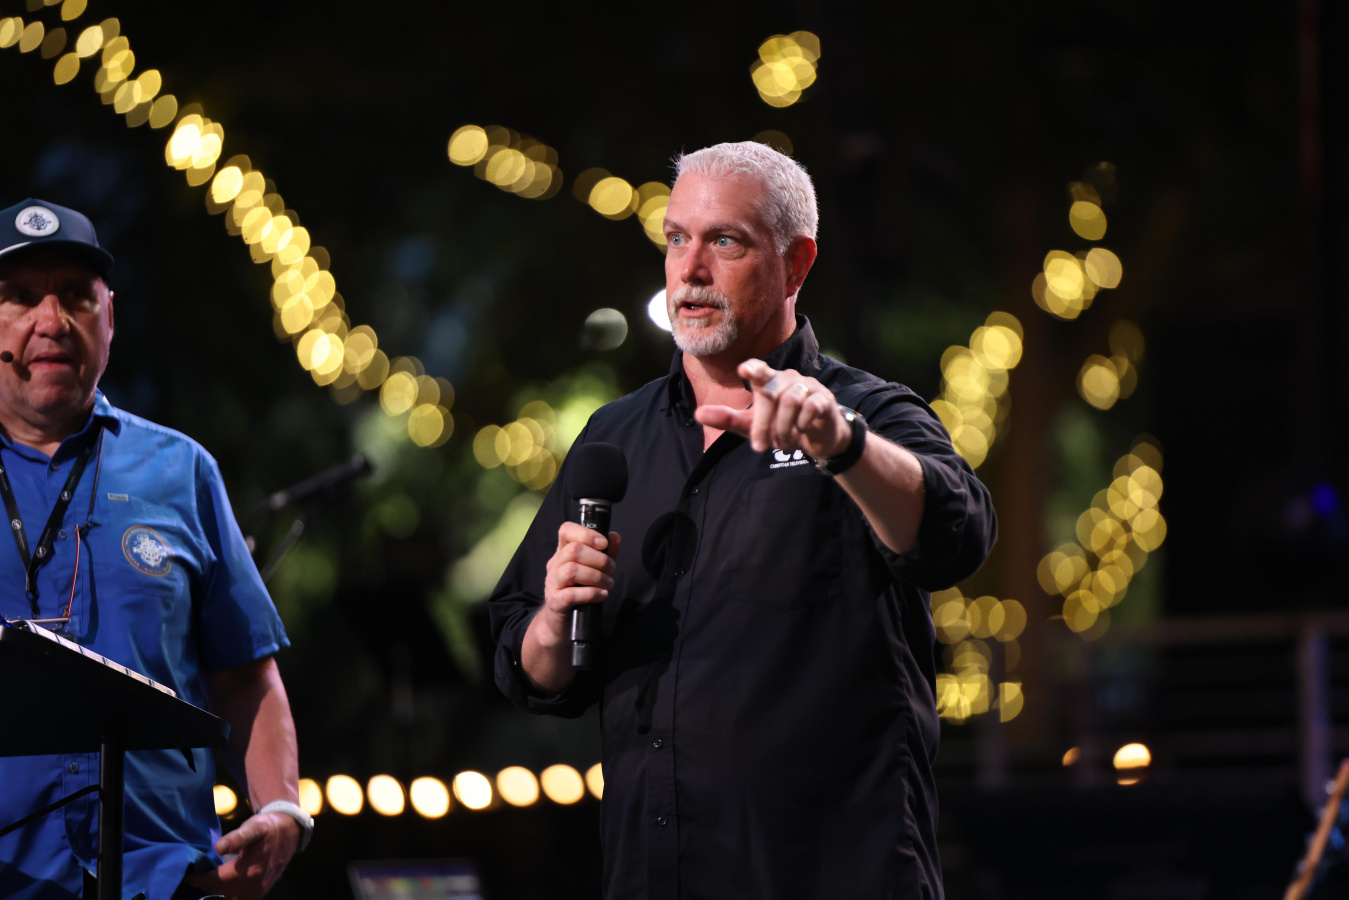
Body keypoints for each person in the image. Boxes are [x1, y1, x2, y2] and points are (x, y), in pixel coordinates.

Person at [489, 142, 997, 899]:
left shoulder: (864, 416)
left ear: (796, 264)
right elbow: (529, 665)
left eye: (724, 241)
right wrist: (553, 622)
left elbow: (957, 534)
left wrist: (842, 446)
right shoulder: (612, 439)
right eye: (676, 239)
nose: (690, 270)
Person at [0, 199, 311, 900]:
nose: (52, 320)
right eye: (19, 296)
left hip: (164, 882)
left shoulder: (182, 471)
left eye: (76, 295)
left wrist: (282, 810)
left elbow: (246, 678)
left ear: (109, 316)